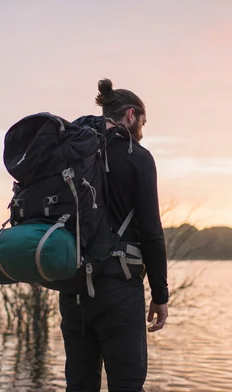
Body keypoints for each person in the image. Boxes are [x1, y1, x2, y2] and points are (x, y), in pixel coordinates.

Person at [58, 78, 169, 391]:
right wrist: (160, 295)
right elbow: (151, 232)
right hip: (119, 289)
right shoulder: (138, 156)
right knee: (127, 384)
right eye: (143, 123)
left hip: (73, 289)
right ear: (131, 115)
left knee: (79, 384)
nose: (143, 132)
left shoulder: (72, 155)